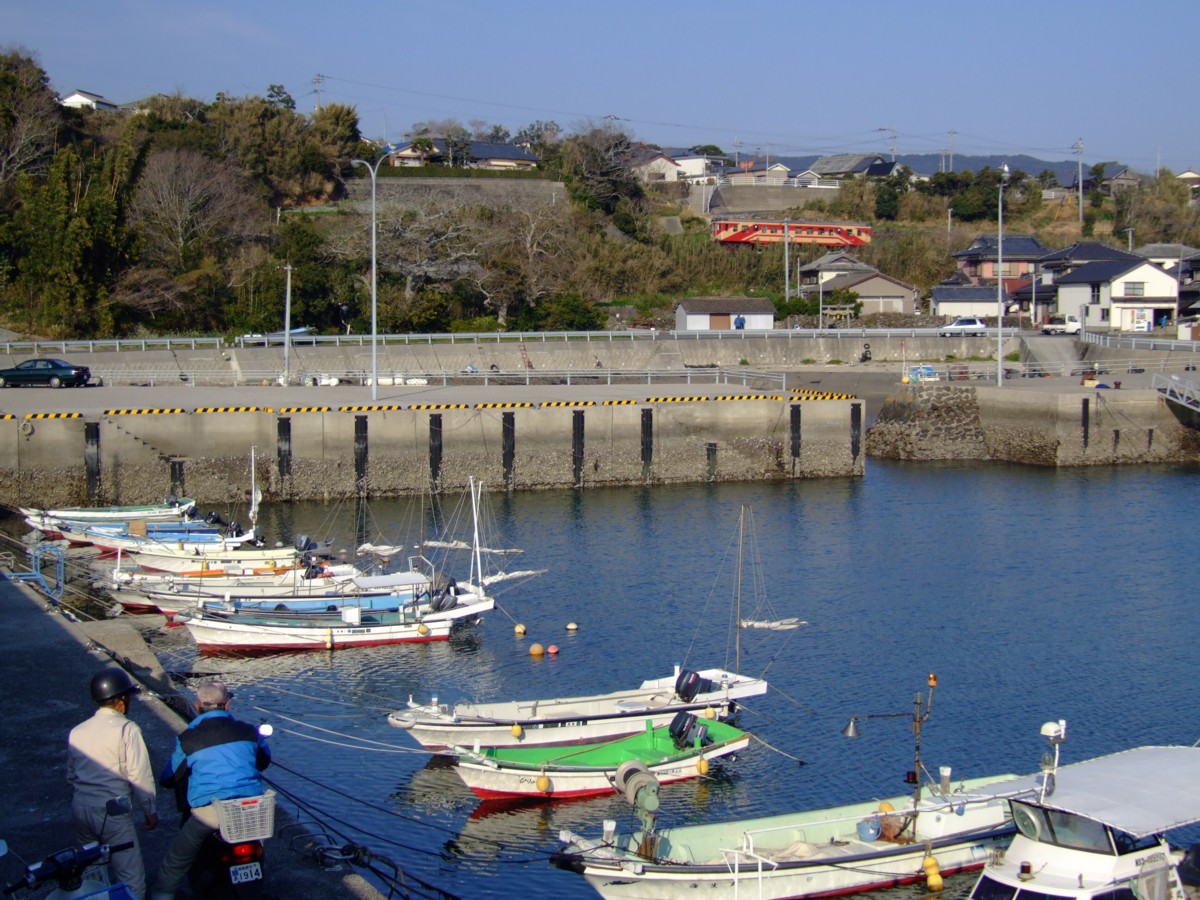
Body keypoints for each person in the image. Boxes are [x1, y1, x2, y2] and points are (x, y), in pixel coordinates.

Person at [150, 681, 270, 900]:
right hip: (252, 809)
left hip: (211, 814)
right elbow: (264, 760)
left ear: (197, 706)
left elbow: (170, 776)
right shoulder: (249, 731)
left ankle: (161, 895)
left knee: (176, 861)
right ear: (226, 706)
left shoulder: (188, 738)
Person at [67, 667, 159, 900]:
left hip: (81, 807)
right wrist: (149, 810)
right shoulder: (127, 729)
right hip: (112, 810)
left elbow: (71, 775)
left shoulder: (77, 732)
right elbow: (139, 775)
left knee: (92, 875)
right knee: (131, 879)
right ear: (120, 700)